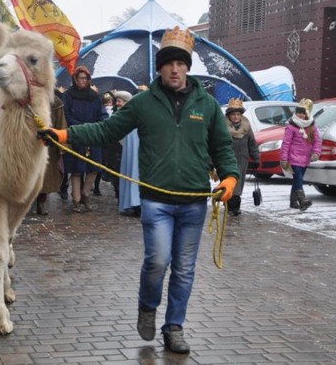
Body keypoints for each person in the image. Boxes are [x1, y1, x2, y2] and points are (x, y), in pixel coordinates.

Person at [39, 26, 239, 354]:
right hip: (157, 201)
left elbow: (223, 148)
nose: (175, 68)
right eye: (168, 63)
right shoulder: (144, 103)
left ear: (187, 66)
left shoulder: (207, 105)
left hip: (193, 202)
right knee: (158, 261)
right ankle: (147, 306)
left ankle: (174, 326)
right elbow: (106, 130)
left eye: (181, 62)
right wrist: (63, 135)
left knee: (185, 269)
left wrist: (230, 178)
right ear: (159, 67)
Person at [62, 66, 108, 213]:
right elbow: (66, 115)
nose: (83, 81)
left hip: (93, 135)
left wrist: (101, 124)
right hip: (76, 134)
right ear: (75, 79)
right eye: (80, 78)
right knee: (76, 169)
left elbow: (102, 114)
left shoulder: (94, 97)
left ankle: (85, 194)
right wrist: (80, 127)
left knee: (94, 167)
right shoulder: (68, 95)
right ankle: (75, 199)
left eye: (86, 78)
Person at [280, 98, 321, 211]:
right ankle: (302, 200)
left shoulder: (311, 127)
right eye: (298, 112)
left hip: (305, 158)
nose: (300, 115)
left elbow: (317, 141)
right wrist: (284, 158)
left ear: (307, 114)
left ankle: (293, 202)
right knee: (298, 179)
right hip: (293, 158)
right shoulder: (291, 127)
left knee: (297, 180)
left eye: (303, 113)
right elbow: (286, 143)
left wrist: (316, 153)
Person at [34, 88, 68, 215]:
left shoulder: (55, 102)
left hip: (48, 143)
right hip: (28, 144)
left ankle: (41, 202)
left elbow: (61, 124)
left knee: (45, 176)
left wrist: (62, 145)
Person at [224, 98, 260, 216]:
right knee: (229, 182)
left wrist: (256, 158)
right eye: (233, 114)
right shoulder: (222, 127)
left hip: (242, 159)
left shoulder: (246, 126)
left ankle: (234, 205)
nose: (236, 117)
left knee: (238, 183)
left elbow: (252, 143)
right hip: (226, 159)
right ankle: (230, 204)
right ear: (229, 115)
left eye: (238, 114)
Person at [114, 90, 141, 216]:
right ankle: (131, 201)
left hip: (135, 148)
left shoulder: (133, 116)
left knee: (135, 171)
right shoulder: (120, 115)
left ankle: (136, 201)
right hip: (127, 149)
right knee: (129, 171)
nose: (117, 104)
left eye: (119, 101)